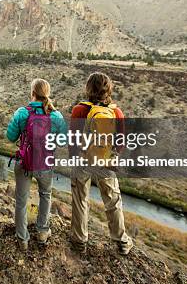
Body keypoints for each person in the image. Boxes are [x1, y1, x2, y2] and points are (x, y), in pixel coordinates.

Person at [69, 72, 134, 255]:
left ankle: (79, 241)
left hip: (83, 161)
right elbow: (121, 142)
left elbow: (73, 140)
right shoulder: (116, 112)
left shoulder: (79, 110)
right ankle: (121, 242)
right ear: (108, 89)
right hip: (106, 162)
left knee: (80, 200)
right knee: (113, 201)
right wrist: (113, 156)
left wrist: (74, 159)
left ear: (88, 88)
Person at [6, 78, 67, 250]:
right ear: (47, 94)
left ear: (32, 93)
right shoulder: (55, 115)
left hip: (24, 162)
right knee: (45, 195)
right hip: (45, 163)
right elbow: (64, 141)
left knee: (21, 200)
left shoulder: (22, 113)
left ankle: (22, 238)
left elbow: (10, 137)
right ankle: (42, 232)